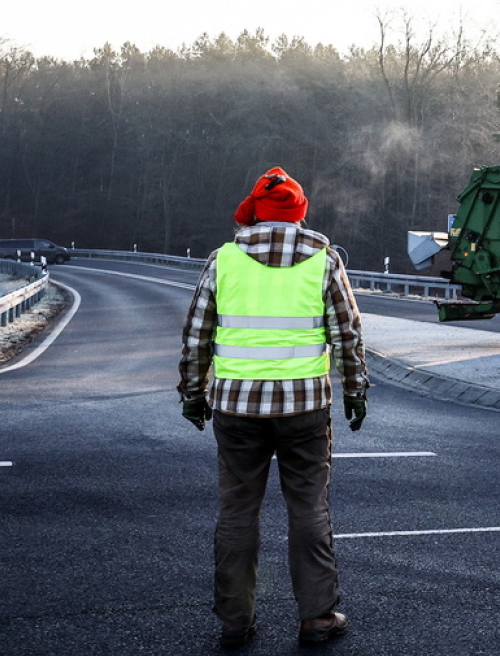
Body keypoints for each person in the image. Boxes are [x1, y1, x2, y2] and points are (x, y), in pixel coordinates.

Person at [178, 166, 369, 648]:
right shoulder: (324, 260)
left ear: (258, 212)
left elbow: (197, 334)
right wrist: (354, 391)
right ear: (299, 214)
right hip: (304, 406)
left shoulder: (223, 260)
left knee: (237, 510)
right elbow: (347, 334)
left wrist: (193, 394)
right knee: (308, 508)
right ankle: (317, 618)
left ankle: (235, 622)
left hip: (237, 407)